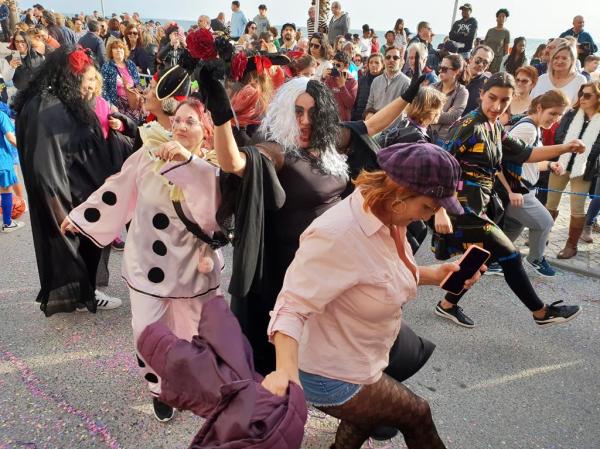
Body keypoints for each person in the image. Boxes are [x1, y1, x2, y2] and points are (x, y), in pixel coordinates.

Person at [196, 60, 426, 376]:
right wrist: (222, 116)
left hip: (340, 259)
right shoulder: (277, 151)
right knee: (299, 344)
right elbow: (234, 163)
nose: (305, 121)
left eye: (313, 113)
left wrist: (408, 96)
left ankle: (351, 388)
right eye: (298, 112)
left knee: (357, 335)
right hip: (295, 266)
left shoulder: (329, 141)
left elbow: (371, 126)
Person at [262, 142, 479, 449]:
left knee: (364, 418)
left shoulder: (390, 218)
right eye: (428, 207)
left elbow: (377, 277)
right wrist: (285, 373)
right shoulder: (338, 234)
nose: (428, 217)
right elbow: (291, 307)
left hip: (362, 355)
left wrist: (435, 274)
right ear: (400, 194)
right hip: (328, 371)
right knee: (417, 413)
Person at [61, 98, 220, 423]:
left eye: (190, 121)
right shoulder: (149, 154)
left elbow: (211, 214)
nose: (180, 126)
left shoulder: (214, 166)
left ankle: (189, 377)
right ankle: (160, 388)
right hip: (148, 262)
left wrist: (188, 162)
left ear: (205, 130)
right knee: (146, 329)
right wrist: (81, 217)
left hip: (194, 266)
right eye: (177, 120)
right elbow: (118, 187)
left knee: (192, 330)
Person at [433, 72, 584, 328]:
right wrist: (439, 209)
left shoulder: (495, 128)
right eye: (492, 98)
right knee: (510, 254)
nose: (497, 105)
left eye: (504, 100)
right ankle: (541, 312)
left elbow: (525, 153)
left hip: (481, 205)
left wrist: (565, 148)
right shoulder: (468, 125)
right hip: (461, 207)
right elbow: (441, 165)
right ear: (482, 94)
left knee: (480, 257)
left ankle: (447, 304)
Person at [14, 48, 126, 316]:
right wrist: (59, 208)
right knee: (74, 246)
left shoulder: (59, 100)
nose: (89, 84)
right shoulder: (48, 106)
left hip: (75, 190)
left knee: (82, 245)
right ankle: (83, 295)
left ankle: (83, 292)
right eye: (85, 77)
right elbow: (46, 164)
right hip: (67, 195)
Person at [493, 90, 570, 278]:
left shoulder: (534, 127)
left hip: (522, 188)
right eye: (553, 113)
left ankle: (493, 260)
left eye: (559, 115)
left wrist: (550, 165)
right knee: (544, 222)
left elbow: (529, 160)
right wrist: (514, 189)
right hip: (518, 190)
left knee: (512, 229)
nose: (555, 119)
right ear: (539, 108)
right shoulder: (527, 129)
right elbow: (501, 160)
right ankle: (535, 259)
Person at [545, 81, 600, 259]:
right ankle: (542, 235)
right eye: (581, 94)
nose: (582, 98)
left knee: (577, 207)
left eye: (588, 95)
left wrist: (583, 150)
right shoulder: (571, 113)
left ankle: (571, 245)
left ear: (598, 97)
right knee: (550, 203)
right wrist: (572, 147)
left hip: (584, 168)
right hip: (561, 163)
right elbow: (559, 135)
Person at [101, 39, 142, 123]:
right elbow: (103, 88)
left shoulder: (130, 64)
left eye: (120, 48)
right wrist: (110, 104)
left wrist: (142, 93)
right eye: (115, 48)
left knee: (135, 126)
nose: (118, 50)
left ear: (124, 50)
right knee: (122, 126)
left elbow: (139, 81)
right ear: (111, 51)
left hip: (133, 103)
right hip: (117, 105)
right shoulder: (107, 66)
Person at [430, 54, 468, 144]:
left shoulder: (462, 92)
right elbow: (422, 110)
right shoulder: (432, 87)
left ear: (456, 71)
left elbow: (452, 117)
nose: (440, 71)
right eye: (440, 67)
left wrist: (430, 113)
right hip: (426, 133)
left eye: (444, 69)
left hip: (444, 140)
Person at [364, 46, 409, 119]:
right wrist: (368, 115)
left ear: (401, 61)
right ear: (384, 60)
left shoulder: (406, 83)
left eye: (395, 58)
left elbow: (407, 112)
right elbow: (370, 104)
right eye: (388, 57)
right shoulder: (376, 81)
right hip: (375, 123)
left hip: (395, 125)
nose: (391, 60)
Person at [0, 109, 23, 233]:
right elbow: (10, 137)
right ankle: (7, 223)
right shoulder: (1, 115)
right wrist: (25, 148)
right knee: (5, 190)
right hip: (2, 159)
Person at [324, 51, 358, 121]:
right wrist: (323, 78)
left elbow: (350, 105)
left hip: (344, 121)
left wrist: (342, 87)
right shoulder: (329, 79)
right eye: (333, 65)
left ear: (347, 66)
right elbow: (323, 99)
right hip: (329, 119)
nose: (335, 68)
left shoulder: (352, 82)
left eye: (338, 65)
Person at [352, 53, 383, 120]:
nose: (373, 65)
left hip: (375, 119)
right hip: (358, 118)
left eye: (377, 63)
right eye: (371, 62)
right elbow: (355, 101)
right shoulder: (361, 80)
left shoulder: (385, 82)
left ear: (382, 65)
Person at [463, 44, 494, 114]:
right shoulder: (456, 75)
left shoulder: (488, 85)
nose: (480, 64)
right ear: (471, 59)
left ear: (488, 66)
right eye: (478, 60)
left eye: (485, 63)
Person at [484, 8, 510, 74]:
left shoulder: (506, 32)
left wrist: (504, 63)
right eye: (499, 16)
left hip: (497, 61)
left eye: (503, 16)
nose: (501, 18)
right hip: (487, 58)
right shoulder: (490, 31)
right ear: (496, 18)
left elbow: (506, 51)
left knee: (494, 77)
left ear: (506, 19)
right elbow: (484, 45)